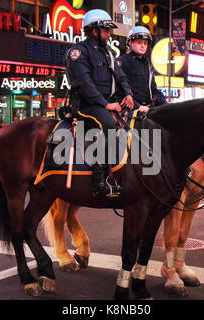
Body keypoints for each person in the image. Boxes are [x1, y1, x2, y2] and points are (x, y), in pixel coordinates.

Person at [65, 9, 134, 197]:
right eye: (106, 30)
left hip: (107, 103)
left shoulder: (108, 52)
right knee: (108, 125)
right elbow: (85, 84)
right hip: (87, 105)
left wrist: (128, 94)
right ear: (94, 30)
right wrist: (106, 105)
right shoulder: (78, 52)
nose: (109, 33)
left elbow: (121, 76)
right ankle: (100, 180)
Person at [117, 26, 167, 112]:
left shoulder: (147, 63)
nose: (143, 46)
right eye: (139, 42)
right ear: (130, 43)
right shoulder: (122, 61)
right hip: (130, 109)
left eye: (145, 43)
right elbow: (119, 90)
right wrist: (138, 106)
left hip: (148, 108)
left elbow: (153, 90)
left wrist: (166, 105)